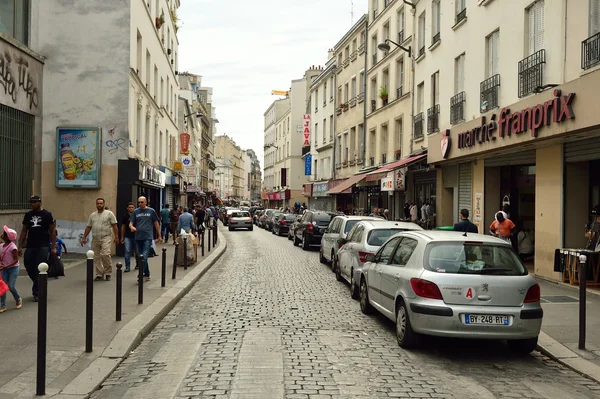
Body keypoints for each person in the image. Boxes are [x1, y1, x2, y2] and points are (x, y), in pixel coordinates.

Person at [18, 195, 56, 302]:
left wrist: (53, 247)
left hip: (43, 245)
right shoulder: (28, 215)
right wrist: (19, 246)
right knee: (28, 266)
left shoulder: (47, 215)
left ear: (40, 202)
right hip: (31, 245)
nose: (33, 204)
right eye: (31, 202)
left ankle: (37, 292)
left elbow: (52, 231)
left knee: (40, 267)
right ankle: (41, 282)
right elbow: (24, 231)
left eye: (35, 202)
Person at [81, 198, 119, 281]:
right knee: (96, 256)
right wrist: (84, 237)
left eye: (101, 203)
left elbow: (114, 225)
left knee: (105, 254)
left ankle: (108, 272)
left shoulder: (109, 214)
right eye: (98, 203)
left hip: (106, 237)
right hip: (95, 238)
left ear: (104, 204)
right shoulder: (93, 215)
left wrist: (116, 236)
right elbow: (88, 227)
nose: (99, 205)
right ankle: (99, 273)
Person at [129, 196, 162, 282]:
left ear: (146, 202)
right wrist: (132, 227)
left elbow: (156, 223)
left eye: (141, 202)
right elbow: (131, 223)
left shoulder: (151, 211)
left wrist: (159, 235)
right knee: (140, 256)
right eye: (139, 202)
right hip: (138, 237)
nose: (140, 204)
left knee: (144, 256)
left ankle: (140, 274)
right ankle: (147, 273)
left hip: (147, 237)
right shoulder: (136, 211)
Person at [0, 226, 22, 313]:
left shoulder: (13, 247)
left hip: (13, 268)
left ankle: (18, 298)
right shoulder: (1, 246)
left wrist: (6, 266)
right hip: (4, 268)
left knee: (11, 286)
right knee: (3, 287)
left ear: (6, 237)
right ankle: (3, 305)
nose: (1, 234)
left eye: (3, 233)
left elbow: (16, 260)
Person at [120, 202, 136, 272]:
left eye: (132, 207)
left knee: (137, 252)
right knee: (127, 251)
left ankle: (138, 264)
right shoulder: (125, 216)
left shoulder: (136, 215)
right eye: (129, 207)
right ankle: (127, 267)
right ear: (127, 208)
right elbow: (123, 227)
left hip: (136, 236)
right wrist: (122, 237)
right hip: (127, 236)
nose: (131, 208)